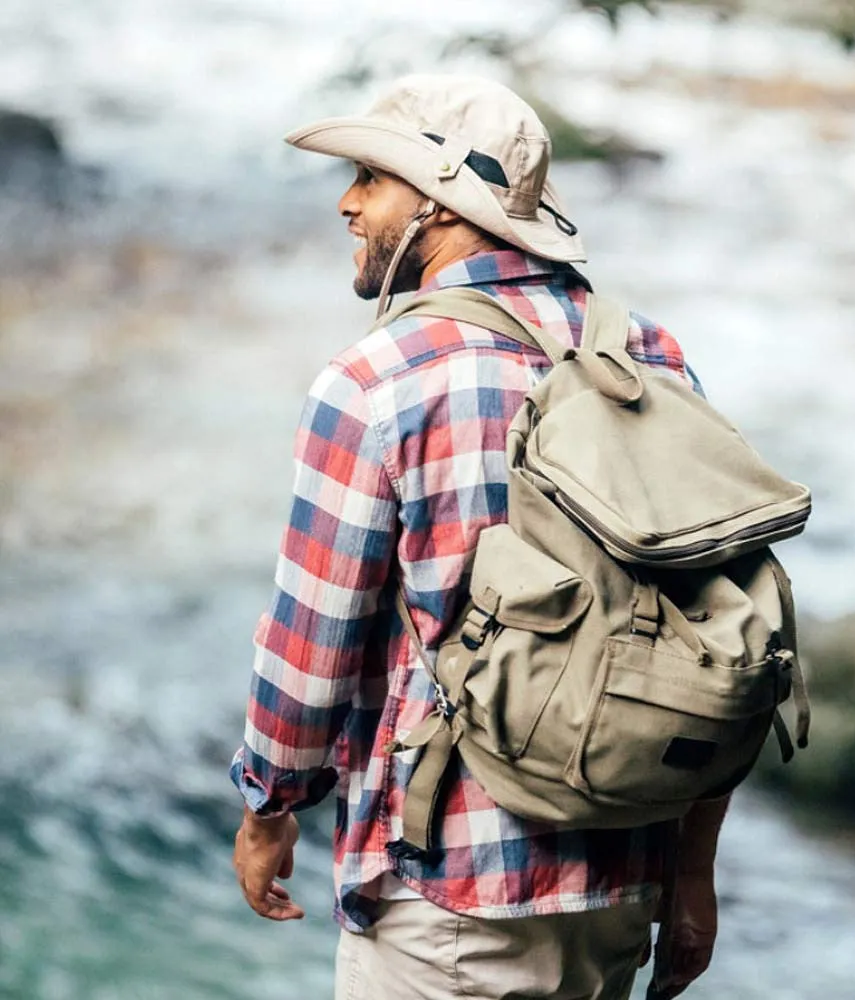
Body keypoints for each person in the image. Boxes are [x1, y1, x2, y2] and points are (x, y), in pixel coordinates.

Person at [230, 73, 729, 1000]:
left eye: (370, 180)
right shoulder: (651, 355)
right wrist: (692, 869)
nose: (347, 203)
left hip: (451, 895)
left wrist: (270, 804)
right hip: (623, 875)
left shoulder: (378, 378)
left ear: (436, 205)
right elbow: (715, 626)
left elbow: (314, 644)